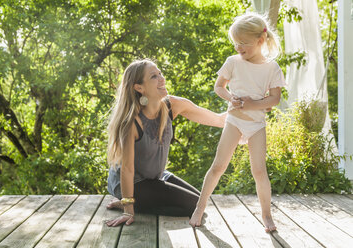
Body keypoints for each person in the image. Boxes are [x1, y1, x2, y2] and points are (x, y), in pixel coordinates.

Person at [105, 58, 236, 227]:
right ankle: (130, 202)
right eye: (154, 76)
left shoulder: (171, 105)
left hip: (155, 177)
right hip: (133, 183)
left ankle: (137, 202)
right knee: (193, 207)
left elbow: (218, 120)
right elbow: (127, 169)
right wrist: (128, 209)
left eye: (160, 73)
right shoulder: (132, 123)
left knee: (200, 202)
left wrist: (240, 108)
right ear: (139, 87)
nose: (161, 78)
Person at [189, 12, 286, 233]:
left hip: (256, 125)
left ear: (260, 41)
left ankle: (267, 215)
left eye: (244, 43)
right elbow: (219, 87)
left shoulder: (272, 68)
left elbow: (275, 99)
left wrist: (253, 104)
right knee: (218, 166)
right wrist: (230, 97)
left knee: (259, 171)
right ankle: (199, 207)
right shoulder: (233, 62)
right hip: (234, 120)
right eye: (236, 43)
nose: (238, 48)